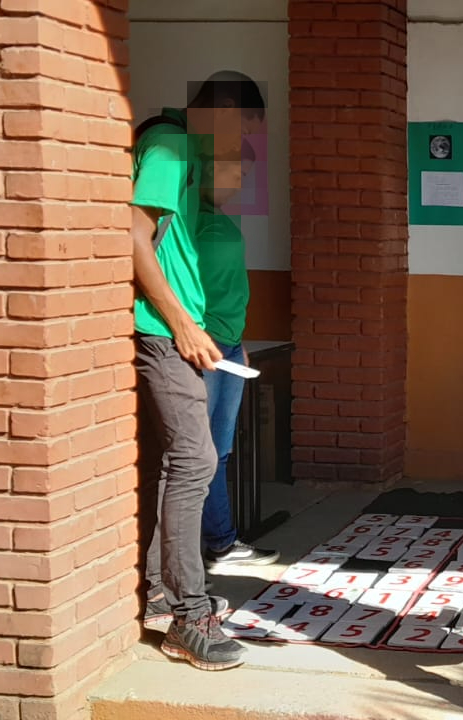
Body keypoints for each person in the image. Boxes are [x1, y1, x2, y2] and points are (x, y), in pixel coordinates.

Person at [131, 70, 264, 671]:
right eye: (242, 131)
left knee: (180, 463)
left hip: (184, 332)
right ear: (223, 111)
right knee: (195, 461)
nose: (239, 147)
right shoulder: (170, 145)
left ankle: (163, 594)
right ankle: (189, 616)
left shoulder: (183, 152)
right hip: (163, 332)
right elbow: (133, 237)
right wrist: (182, 323)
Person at [196, 138, 280, 571]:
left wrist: (237, 340)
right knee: (200, 453)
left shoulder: (219, 218)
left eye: (244, 176)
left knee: (221, 450)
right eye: (232, 172)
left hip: (228, 345)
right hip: (203, 347)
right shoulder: (184, 218)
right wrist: (197, 335)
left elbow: (227, 287)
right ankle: (211, 545)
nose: (238, 183)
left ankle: (221, 542)